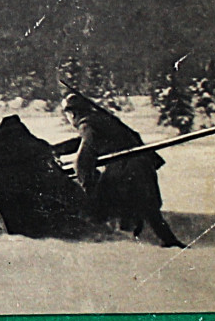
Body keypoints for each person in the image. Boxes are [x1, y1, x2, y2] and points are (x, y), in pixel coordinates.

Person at [59, 92, 185, 248]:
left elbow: (83, 160)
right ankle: (167, 240)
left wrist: (87, 188)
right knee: (149, 208)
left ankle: (116, 242)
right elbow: (84, 141)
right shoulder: (101, 120)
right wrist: (57, 149)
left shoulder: (87, 124)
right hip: (142, 165)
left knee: (102, 204)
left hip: (125, 168)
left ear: (73, 113)